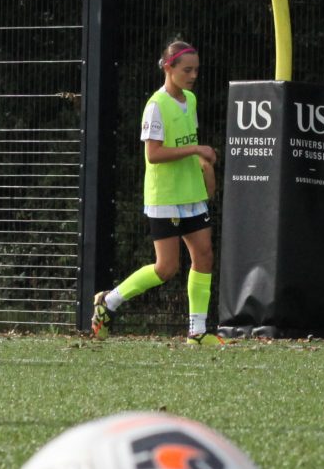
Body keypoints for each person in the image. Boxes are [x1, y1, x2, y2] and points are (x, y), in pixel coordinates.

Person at [88, 38, 223, 343]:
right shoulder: (155, 106)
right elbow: (154, 154)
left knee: (204, 256)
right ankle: (108, 302)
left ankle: (197, 332)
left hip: (191, 193)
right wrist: (196, 149)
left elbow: (189, 147)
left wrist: (203, 162)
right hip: (164, 196)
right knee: (167, 268)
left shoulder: (190, 100)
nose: (192, 76)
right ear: (168, 67)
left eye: (196, 70)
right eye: (186, 70)